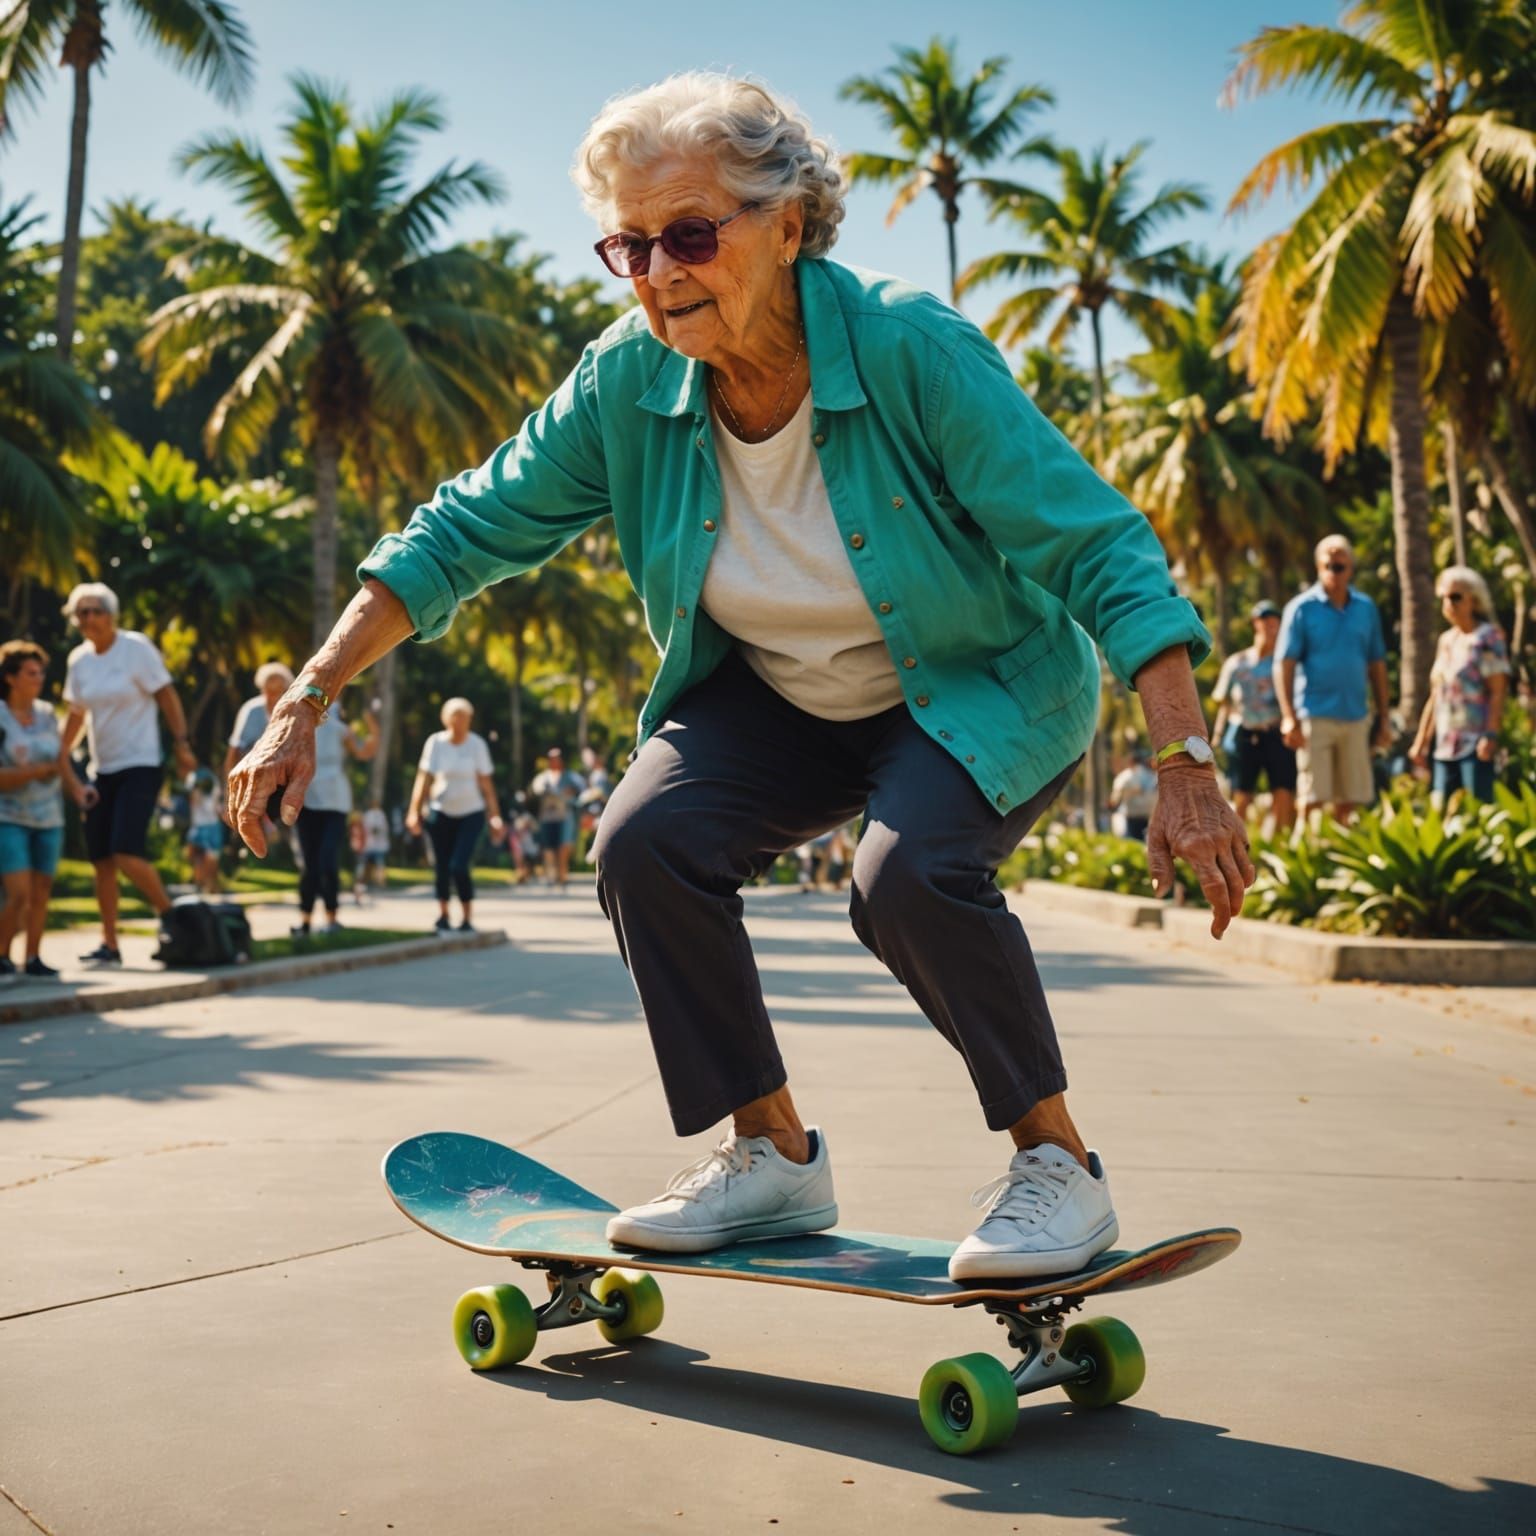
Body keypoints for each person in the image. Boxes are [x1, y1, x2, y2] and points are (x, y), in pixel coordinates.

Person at [226, 73, 1252, 1282]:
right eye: (631, 246)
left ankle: (1059, 1169)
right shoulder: (627, 382)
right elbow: (460, 532)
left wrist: (1184, 759)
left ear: (789, 226)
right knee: (642, 842)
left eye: (692, 236)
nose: (659, 272)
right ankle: (769, 1154)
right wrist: (307, 695)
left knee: (907, 876)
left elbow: (1101, 548)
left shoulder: (913, 349)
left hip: (977, 683)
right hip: (777, 698)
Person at [59, 584, 197, 965]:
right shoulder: (79, 661)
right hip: (101, 770)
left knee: (125, 850)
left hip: (141, 764)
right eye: (80, 613)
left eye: (95, 611)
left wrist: (182, 743)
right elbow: (75, 714)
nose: (87, 619)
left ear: (111, 614)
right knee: (101, 860)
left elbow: (166, 695)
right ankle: (110, 945)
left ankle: (172, 915)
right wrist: (59, 754)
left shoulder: (135, 648)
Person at [1275, 537, 1391, 824]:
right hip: (1314, 715)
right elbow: (1284, 664)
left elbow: (1376, 664)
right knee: (1312, 797)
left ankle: (1342, 862)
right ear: (1318, 567)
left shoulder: (1365, 608)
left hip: (1355, 715)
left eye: (1339, 566)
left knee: (1351, 799)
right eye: (1327, 565)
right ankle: (1309, 861)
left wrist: (1384, 718)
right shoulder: (1301, 608)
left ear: (1350, 569)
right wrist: (1288, 716)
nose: (1333, 572)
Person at [0, 641, 88, 980]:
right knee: (18, 894)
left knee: (41, 892)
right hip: (9, 816)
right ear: (10, 677)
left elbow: (60, 760)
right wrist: (35, 773)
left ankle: (33, 957)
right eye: (30, 673)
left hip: (49, 815)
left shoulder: (48, 715)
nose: (38, 679)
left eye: (40, 672)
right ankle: (3, 954)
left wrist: (78, 791)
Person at [1409, 566, 1510, 802]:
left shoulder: (1487, 638)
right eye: (1444, 596)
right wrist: (1421, 742)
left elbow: (1498, 691)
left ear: (1473, 600)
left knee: (1477, 810)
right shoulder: (1446, 640)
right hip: (1445, 744)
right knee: (1442, 811)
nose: (1449, 602)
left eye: (1456, 596)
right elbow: (1437, 696)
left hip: (1475, 744)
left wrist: (1490, 735)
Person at [406, 699, 504, 934]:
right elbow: (424, 779)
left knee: (459, 865)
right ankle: (443, 914)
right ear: (446, 718)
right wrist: (414, 811)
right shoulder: (436, 743)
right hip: (440, 812)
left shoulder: (477, 745)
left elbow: (486, 784)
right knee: (441, 866)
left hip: (471, 812)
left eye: (465, 716)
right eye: (455, 716)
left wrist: (495, 816)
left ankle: (467, 916)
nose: (460, 721)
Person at [291, 701, 378, 938]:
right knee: (310, 865)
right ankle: (305, 921)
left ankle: (331, 918)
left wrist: (372, 727)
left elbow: (364, 752)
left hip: (335, 803)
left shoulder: (340, 730)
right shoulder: (299, 728)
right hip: (307, 800)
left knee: (327, 861)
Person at [1212, 600, 1297, 831]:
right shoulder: (1236, 663)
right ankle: (1239, 848)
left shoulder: (1284, 663)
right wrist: (1217, 737)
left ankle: (1278, 847)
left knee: (1283, 790)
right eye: (1265, 620)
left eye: (1274, 621)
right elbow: (1224, 703)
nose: (1270, 626)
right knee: (1241, 793)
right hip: (1244, 733)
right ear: (1255, 624)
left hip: (1276, 732)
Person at [224, 663, 294, 779]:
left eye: (278, 692)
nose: (274, 697)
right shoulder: (251, 710)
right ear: (262, 689)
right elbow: (234, 747)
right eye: (269, 691)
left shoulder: (293, 711)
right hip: (251, 775)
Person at [529, 747, 586, 887]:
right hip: (547, 817)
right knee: (548, 848)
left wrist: (571, 793)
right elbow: (535, 791)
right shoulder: (543, 778)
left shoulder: (572, 777)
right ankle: (551, 876)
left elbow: (583, 791)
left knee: (563, 847)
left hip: (565, 816)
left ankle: (563, 875)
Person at [183, 767, 225, 894]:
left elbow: (216, 807)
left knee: (210, 859)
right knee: (196, 857)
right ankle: (202, 883)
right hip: (200, 827)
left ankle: (209, 884)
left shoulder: (213, 787)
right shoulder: (195, 782)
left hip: (210, 827)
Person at [1108, 750, 1158, 841]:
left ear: (1130, 762)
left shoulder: (1124, 776)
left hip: (1130, 817)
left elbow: (1114, 800)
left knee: (1131, 844)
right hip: (1148, 816)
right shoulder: (1151, 775)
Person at [359, 799, 391, 893]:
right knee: (369, 866)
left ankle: (380, 884)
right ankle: (365, 884)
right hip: (370, 845)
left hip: (377, 845)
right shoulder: (372, 814)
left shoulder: (378, 814)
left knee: (378, 865)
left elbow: (381, 828)